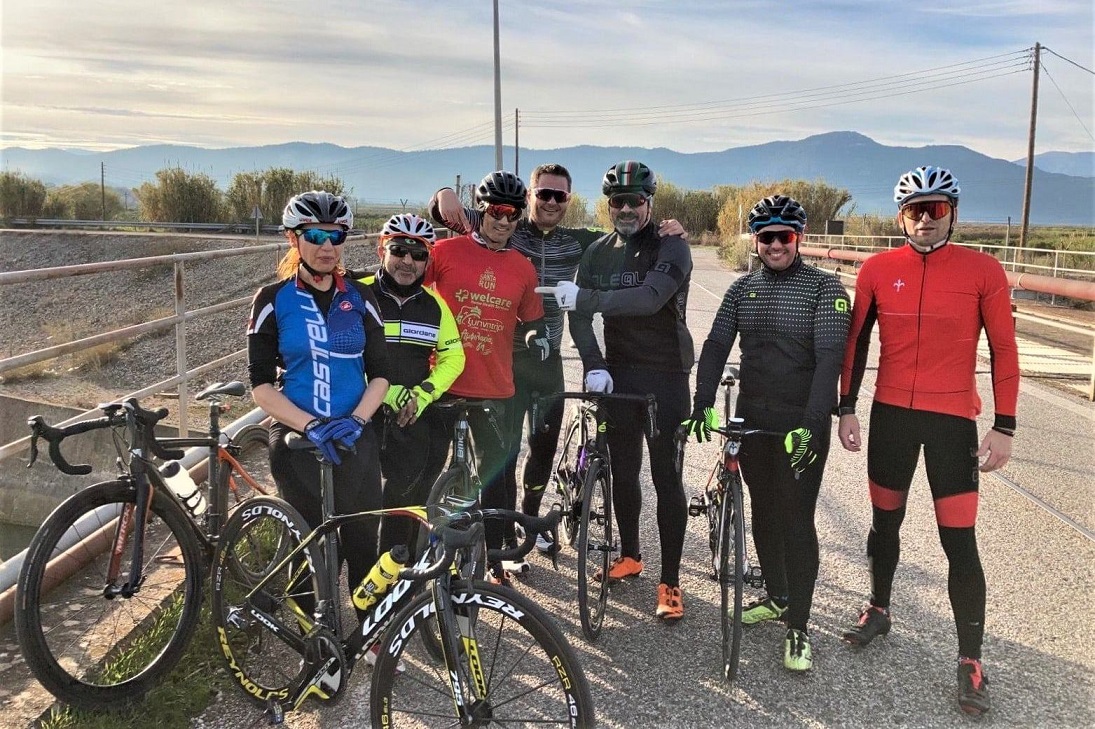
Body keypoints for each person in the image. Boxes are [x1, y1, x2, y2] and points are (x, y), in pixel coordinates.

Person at [430, 165, 686, 557]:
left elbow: (627, 233)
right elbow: (451, 212)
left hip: (546, 358)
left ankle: (530, 520)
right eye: (543, 194)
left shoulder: (580, 241)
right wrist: (443, 194)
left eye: (559, 196)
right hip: (502, 358)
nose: (551, 202)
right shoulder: (505, 223)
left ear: (568, 200)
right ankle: (504, 535)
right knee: (503, 454)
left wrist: (670, 230)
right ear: (529, 196)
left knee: (543, 449)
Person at [837, 166, 1020, 716]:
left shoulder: (983, 270)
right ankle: (879, 608)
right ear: (901, 217)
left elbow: (1005, 350)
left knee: (958, 542)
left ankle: (971, 660)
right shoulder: (877, 269)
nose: (924, 219)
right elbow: (855, 343)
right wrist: (847, 407)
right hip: (891, 415)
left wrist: (1005, 425)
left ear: (952, 214)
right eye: (915, 210)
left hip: (951, 421)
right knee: (884, 523)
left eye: (935, 209)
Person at [681, 195, 850, 671]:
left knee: (796, 520)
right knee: (765, 513)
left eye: (785, 236)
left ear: (799, 239)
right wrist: (702, 403)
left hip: (800, 422)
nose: (776, 245)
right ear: (755, 241)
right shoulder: (742, 288)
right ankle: (777, 596)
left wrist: (813, 425)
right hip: (754, 418)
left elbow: (830, 361)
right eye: (766, 236)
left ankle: (799, 625)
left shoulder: (824, 288)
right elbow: (716, 344)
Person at [540, 160, 693, 621]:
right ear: (608, 205)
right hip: (619, 375)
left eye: (635, 201)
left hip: (666, 377)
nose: (626, 209)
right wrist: (593, 363)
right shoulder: (598, 252)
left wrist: (589, 298)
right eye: (618, 202)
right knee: (624, 473)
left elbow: (649, 299)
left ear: (649, 203)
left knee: (666, 478)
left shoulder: (671, 245)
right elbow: (578, 316)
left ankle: (670, 582)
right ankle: (630, 555)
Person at [246, 190, 390, 623]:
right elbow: (260, 386)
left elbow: (381, 374)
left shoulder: (361, 297)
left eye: (336, 235)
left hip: (355, 432)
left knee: (363, 540)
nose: (327, 246)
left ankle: (369, 633)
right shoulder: (272, 299)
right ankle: (311, 633)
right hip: (296, 438)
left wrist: (358, 420)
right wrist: (309, 425)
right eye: (315, 236)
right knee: (307, 546)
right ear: (293, 239)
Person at [425, 170, 547, 585]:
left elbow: (532, 320)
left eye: (512, 214)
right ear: (481, 210)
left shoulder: (523, 268)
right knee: (424, 473)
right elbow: (403, 285)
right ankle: (414, 551)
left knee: (496, 476)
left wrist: (536, 339)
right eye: (496, 211)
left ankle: (496, 557)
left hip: (494, 387)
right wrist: (440, 194)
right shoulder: (444, 252)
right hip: (440, 383)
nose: (504, 220)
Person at [356, 214, 465, 555]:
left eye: (418, 254)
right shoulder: (358, 294)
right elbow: (339, 354)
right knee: (359, 504)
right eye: (399, 250)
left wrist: (425, 393)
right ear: (381, 251)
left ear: (428, 260)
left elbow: (454, 357)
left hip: (409, 413)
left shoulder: (435, 305)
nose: (408, 261)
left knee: (402, 501)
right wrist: (383, 391)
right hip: (361, 411)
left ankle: (394, 571)